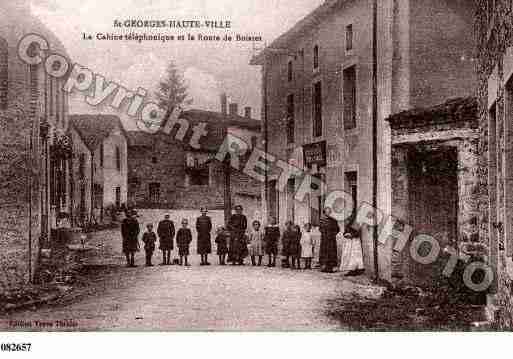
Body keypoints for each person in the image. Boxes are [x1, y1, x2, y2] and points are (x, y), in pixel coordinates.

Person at [319, 207, 340, 273]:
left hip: (331, 240)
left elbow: (337, 229)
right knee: (324, 252)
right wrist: (324, 233)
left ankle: (331, 267)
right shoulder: (322, 220)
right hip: (325, 239)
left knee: (331, 253)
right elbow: (320, 229)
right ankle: (324, 266)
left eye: (329, 212)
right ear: (324, 212)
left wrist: (332, 234)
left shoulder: (334, 220)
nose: (328, 213)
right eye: (327, 211)